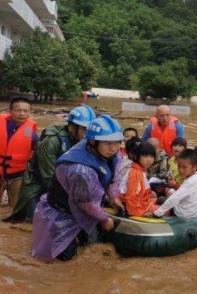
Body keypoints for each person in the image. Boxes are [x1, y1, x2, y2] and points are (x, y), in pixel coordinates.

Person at [32, 115, 123, 262]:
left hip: (86, 206)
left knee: (92, 244)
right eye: (108, 143)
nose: (114, 148)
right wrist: (104, 219)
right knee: (62, 257)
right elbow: (85, 203)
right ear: (92, 142)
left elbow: (112, 178)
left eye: (117, 142)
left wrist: (114, 197)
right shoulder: (80, 169)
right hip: (63, 211)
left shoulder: (111, 153)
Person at [6, 105, 96, 223]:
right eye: (84, 130)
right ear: (72, 127)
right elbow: (49, 176)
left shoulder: (85, 143)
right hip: (37, 185)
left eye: (89, 131)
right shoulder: (51, 142)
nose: (87, 135)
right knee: (34, 222)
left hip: (61, 184)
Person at [0, 97, 38, 209]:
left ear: (29, 113)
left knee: (15, 206)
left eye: (25, 111)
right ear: (10, 111)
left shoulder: (30, 132)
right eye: (18, 110)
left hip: (18, 175)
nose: (22, 114)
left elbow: (38, 150)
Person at [154, 149, 197, 218]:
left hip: (184, 214)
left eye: (184, 167)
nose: (180, 170)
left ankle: (163, 214)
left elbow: (174, 198)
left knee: (162, 200)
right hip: (196, 212)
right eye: (179, 166)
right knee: (170, 192)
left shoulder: (190, 181)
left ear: (195, 167)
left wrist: (158, 213)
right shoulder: (196, 176)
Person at [119, 141, 158, 217]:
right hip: (134, 208)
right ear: (136, 157)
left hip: (141, 203)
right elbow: (131, 198)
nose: (149, 160)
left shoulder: (139, 170)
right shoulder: (135, 173)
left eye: (151, 156)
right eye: (145, 156)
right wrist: (141, 214)